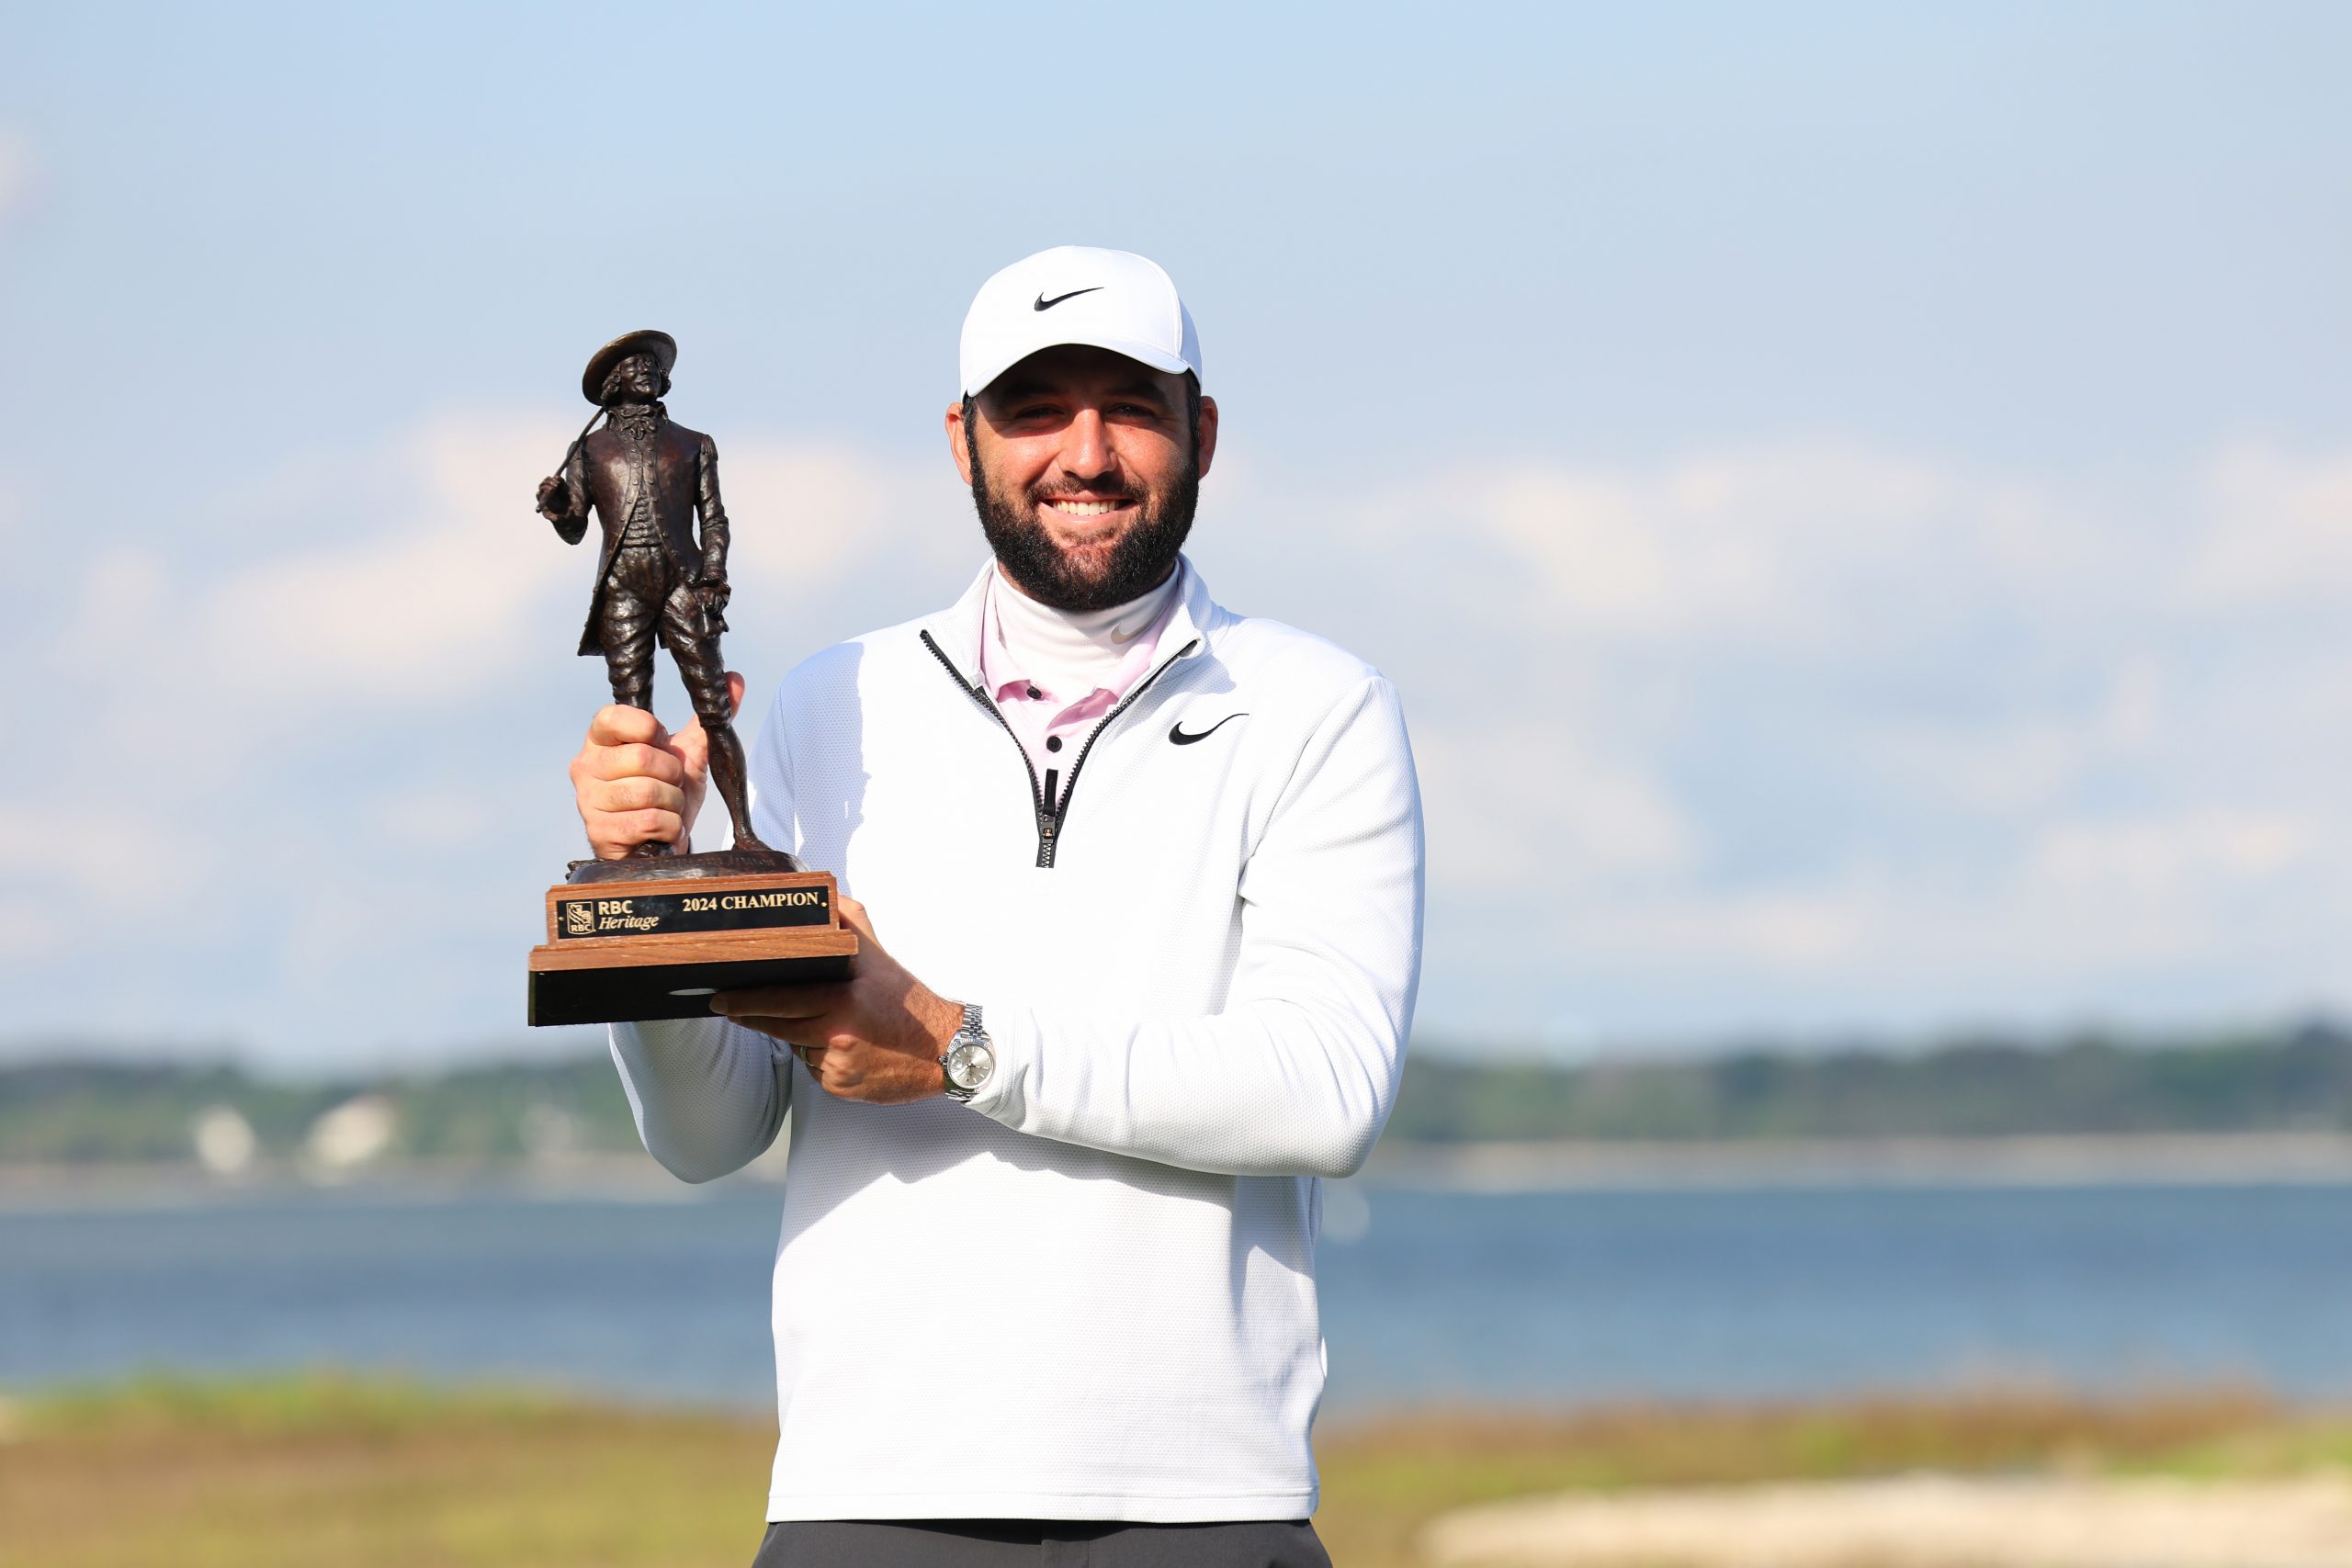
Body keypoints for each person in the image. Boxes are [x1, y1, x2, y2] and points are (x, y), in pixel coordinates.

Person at [569, 246, 1424, 1566]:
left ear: (1202, 430)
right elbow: (707, 1129)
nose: (1084, 451)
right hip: (866, 1494)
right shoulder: (823, 702)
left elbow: (1326, 1085)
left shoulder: (1317, 703)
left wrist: (954, 1044)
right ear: (962, 440)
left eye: (1129, 404)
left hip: (1206, 1505)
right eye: (1035, 409)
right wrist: (653, 895)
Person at [539, 329, 768, 855]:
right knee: (633, 714)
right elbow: (574, 526)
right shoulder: (589, 449)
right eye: (633, 366)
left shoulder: (693, 444)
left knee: (713, 707)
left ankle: (745, 835)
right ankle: (647, 845)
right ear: (614, 384)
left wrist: (714, 576)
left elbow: (715, 520)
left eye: (651, 365)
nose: (644, 370)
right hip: (623, 586)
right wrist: (556, 504)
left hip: (683, 582)